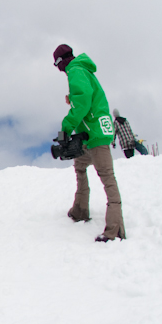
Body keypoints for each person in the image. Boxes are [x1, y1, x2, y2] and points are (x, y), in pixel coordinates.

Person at [53, 44, 126, 243]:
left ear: (61, 62)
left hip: (96, 135)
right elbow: (86, 98)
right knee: (80, 166)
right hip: (90, 134)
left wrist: (66, 128)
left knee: (107, 178)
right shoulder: (82, 70)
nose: (57, 68)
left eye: (56, 64)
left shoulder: (75, 70)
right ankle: (79, 210)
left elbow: (83, 102)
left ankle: (115, 229)